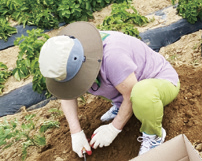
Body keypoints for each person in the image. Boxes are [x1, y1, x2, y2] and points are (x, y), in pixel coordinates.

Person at [38, 21, 180, 158]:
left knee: (140, 93)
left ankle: (154, 134)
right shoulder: (68, 55)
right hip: (126, 85)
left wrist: (114, 128)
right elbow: (67, 93)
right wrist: (76, 133)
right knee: (104, 84)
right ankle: (120, 105)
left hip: (158, 83)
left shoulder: (113, 56)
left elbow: (130, 92)